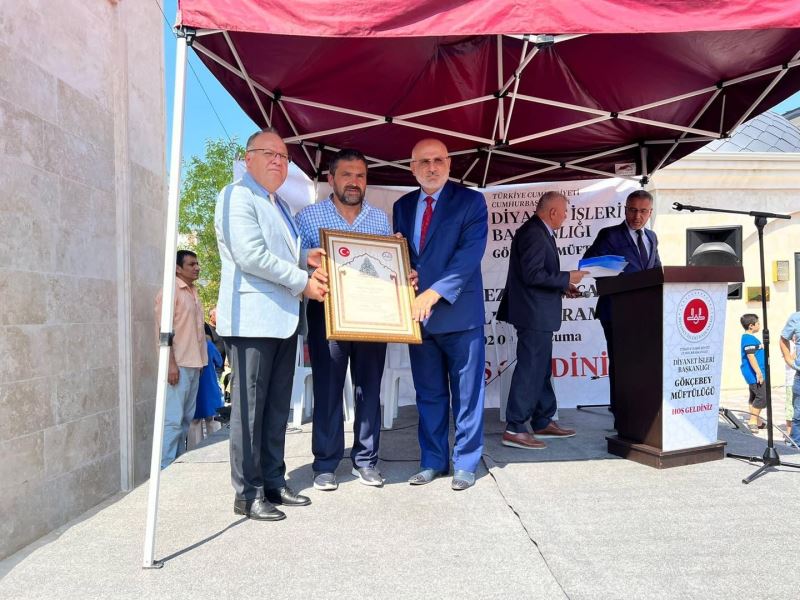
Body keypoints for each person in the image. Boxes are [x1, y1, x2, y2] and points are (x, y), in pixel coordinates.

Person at [215, 128, 328, 522]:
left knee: (276, 408)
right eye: (270, 154)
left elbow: (283, 254)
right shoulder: (236, 196)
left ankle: (274, 482)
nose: (279, 161)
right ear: (249, 160)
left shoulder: (278, 204)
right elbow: (251, 256)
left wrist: (306, 258)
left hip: (283, 319)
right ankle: (247, 494)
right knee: (250, 412)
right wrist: (303, 281)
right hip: (251, 321)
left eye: (284, 156)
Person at [393, 138, 488, 491]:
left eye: (438, 160)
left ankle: (465, 462)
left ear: (449, 164)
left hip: (459, 313)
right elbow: (404, 255)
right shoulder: (403, 206)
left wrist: (433, 292)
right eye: (423, 162)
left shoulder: (471, 201)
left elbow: (469, 255)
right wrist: (406, 272)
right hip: (419, 317)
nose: (432, 168)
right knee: (429, 393)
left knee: (467, 393)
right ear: (412, 168)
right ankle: (433, 460)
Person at [295, 149, 392, 491]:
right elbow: (296, 267)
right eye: (347, 175)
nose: (354, 182)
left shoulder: (380, 220)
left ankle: (366, 461)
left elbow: (386, 267)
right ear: (330, 179)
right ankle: (325, 463)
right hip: (327, 315)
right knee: (328, 388)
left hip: (372, 317)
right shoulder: (308, 217)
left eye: (361, 176)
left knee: (369, 389)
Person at [496, 192, 587, 449]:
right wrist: (567, 276)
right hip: (532, 312)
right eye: (565, 212)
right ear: (553, 212)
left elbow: (538, 274)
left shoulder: (538, 231)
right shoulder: (534, 233)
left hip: (537, 311)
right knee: (531, 368)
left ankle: (542, 420)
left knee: (541, 367)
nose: (567, 217)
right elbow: (533, 274)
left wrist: (563, 285)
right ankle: (515, 427)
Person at [582, 190, 661, 424]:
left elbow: (655, 269)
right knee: (621, 362)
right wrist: (619, 276)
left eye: (643, 211)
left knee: (641, 362)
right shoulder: (610, 235)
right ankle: (621, 413)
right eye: (633, 210)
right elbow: (590, 264)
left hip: (646, 312)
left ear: (650, 213)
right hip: (617, 310)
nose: (637, 216)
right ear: (625, 209)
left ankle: (641, 410)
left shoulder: (652, 237)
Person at [154, 250, 208, 468]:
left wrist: (202, 361)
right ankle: (164, 470)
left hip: (195, 364)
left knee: (185, 421)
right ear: (177, 268)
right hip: (178, 366)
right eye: (191, 264)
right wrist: (170, 365)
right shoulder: (170, 292)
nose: (197, 268)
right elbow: (162, 331)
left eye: (197, 263)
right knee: (173, 422)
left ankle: (175, 468)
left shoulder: (193, 292)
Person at [188, 325, 224, 448]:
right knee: (213, 421)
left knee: (194, 423)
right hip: (210, 387)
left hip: (194, 387)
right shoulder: (208, 345)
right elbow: (219, 361)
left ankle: (194, 450)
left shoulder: (190, 346)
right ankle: (215, 447)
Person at [739, 314, 766, 432]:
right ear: (751, 326)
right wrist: (759, 373)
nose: (759, 325)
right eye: (758, 323)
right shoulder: (748, 339)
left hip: (754, 373)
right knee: (762, 397)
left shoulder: (749, 338)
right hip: (754, 374)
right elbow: (751, 357)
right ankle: (753, 421)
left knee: (754, 396)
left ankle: (757, 421)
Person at [779, 312, 800, 446]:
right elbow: (783, 338)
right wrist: (788, 359)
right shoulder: (796, 318)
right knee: (798, 415)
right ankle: (796, 445)